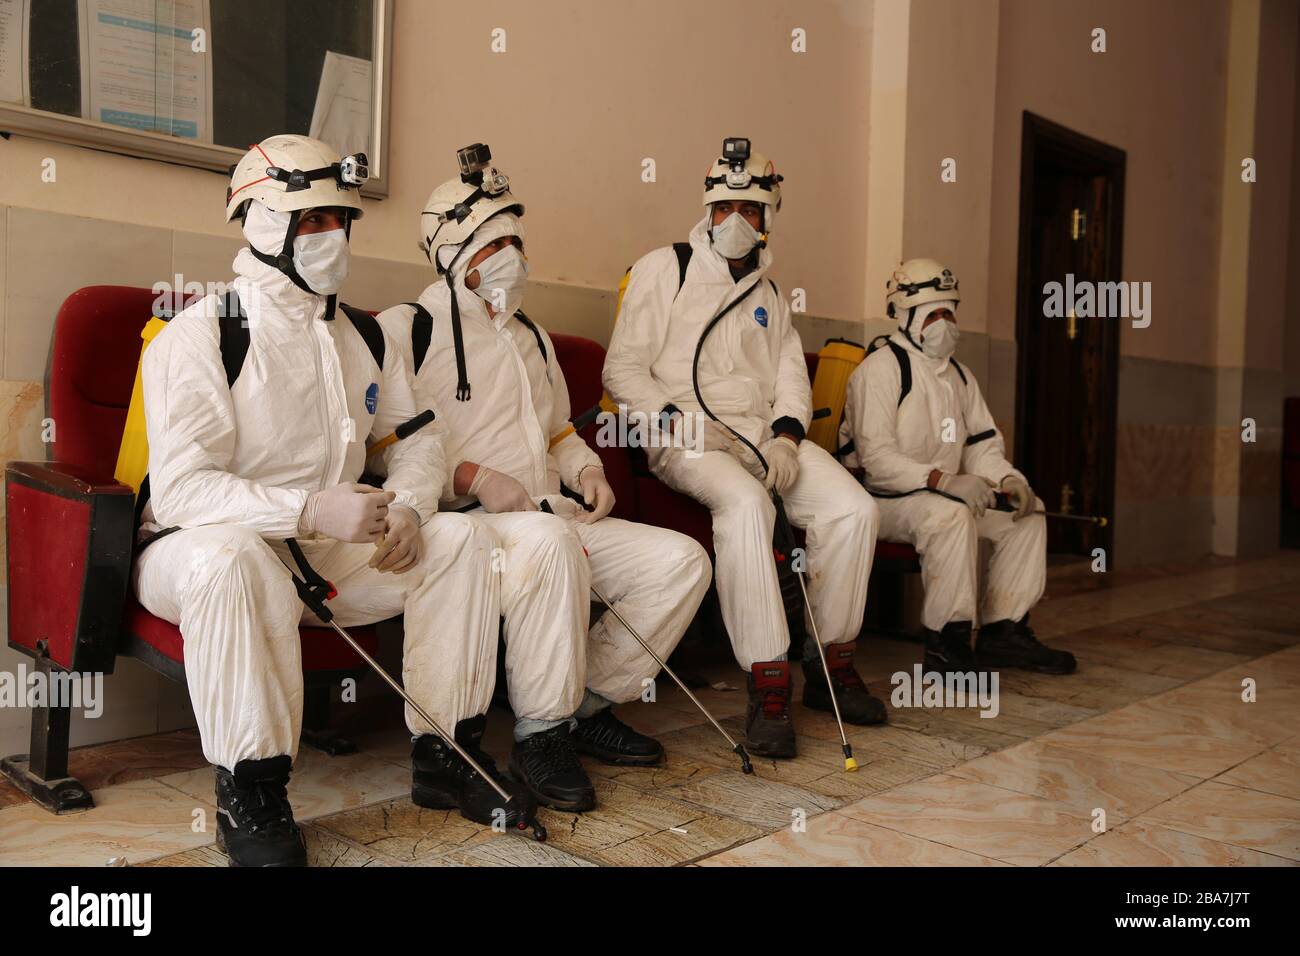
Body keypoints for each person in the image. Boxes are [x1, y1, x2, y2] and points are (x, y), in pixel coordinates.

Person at [133, 134, 529, 867]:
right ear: (261, 222)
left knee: (465, 539)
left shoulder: (364, 338)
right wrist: (310, 509)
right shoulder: (201, 336)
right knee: (231, 557)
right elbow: (185, 490)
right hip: (196, 550)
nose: (332, 238)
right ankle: (251, 787)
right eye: (312, 221)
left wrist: (409, 505)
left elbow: (417, 442)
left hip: (319, 553)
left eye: (340, 222)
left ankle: (448, 755)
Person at [375, 145, 711, 812]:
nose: (511, 256)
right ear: (449, 252)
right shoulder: (404, 329)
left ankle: (583, 705)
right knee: (550, 546)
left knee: (681, 563)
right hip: (469, 527)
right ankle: (540, 736)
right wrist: (472, 476)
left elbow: (558, 429)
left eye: (515, 240)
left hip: (548, 511)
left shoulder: (532, 336)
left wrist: (588, 468)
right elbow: (382, 450)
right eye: (492, 241)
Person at [603, 138, 883, 760]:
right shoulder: (663, 268)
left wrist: (787, 438)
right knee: (746, 505)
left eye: (751, 210)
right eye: (725, 207)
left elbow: (790, 378)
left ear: (767, 218)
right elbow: (622, 371)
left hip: (761, 438)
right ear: (707, 208)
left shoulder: (772, 294)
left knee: (854, 509)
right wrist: (676, 420)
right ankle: (768, 682)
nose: (736, 221)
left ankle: (830, 662)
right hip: (687, 437)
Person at [839, 258, 1076, 677]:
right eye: (932, 313)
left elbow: (982, 445)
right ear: (905, 315)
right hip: (886, 501)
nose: (943, 323)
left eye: (949, 311)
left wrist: (1007, 479)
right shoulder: (880, 370)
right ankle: (947, 644)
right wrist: (944, 481)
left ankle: (1005, 631)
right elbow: (877, 462)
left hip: (946, 494)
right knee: (950, 517)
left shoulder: (962, 377)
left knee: (1028, 513)